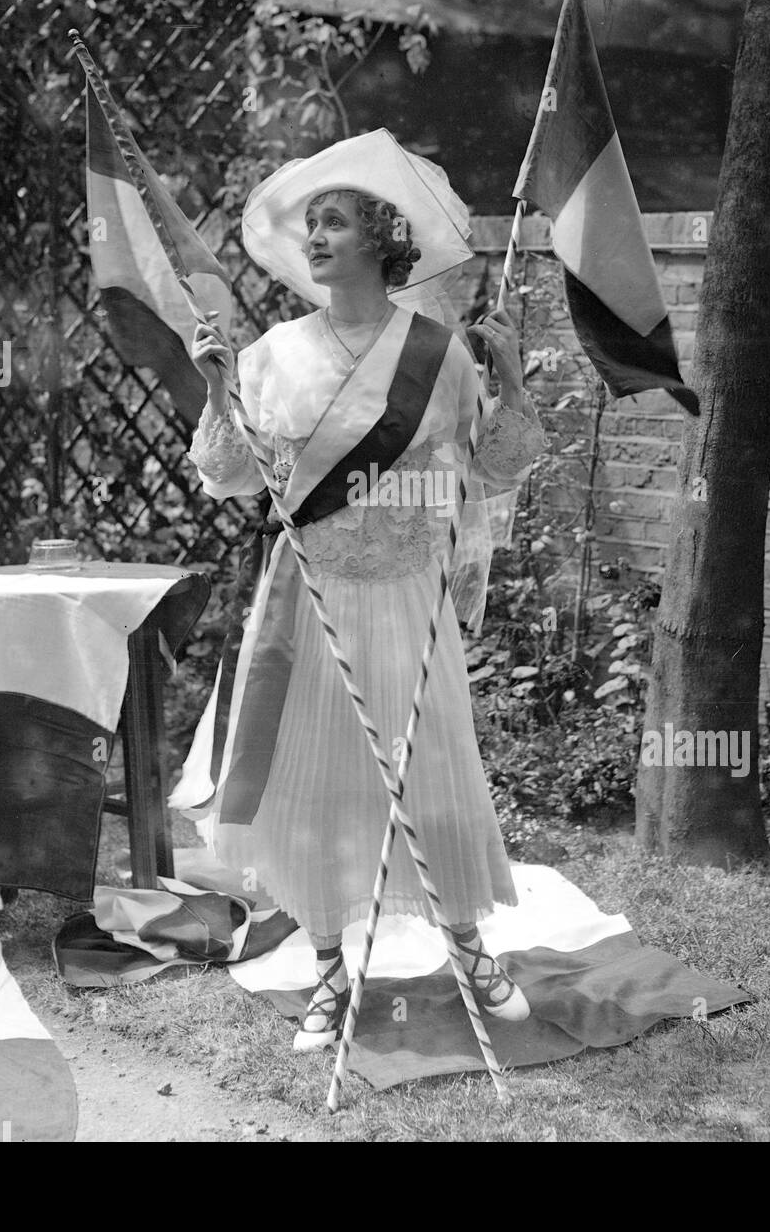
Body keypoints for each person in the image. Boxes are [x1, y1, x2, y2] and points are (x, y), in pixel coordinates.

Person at [170, 130, 546, 1050]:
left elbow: (496, 468)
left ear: (383, 237)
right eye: (310, 226)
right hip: (311, 598)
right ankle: (331, 969)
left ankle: (468, 950)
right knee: (314, 781)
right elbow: (227, 474)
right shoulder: (271, 352)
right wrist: (217, 388)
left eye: (334, 221)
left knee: (433, 768)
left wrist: (508, 380)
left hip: (408, 596)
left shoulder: (436, 353)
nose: (317, 239)